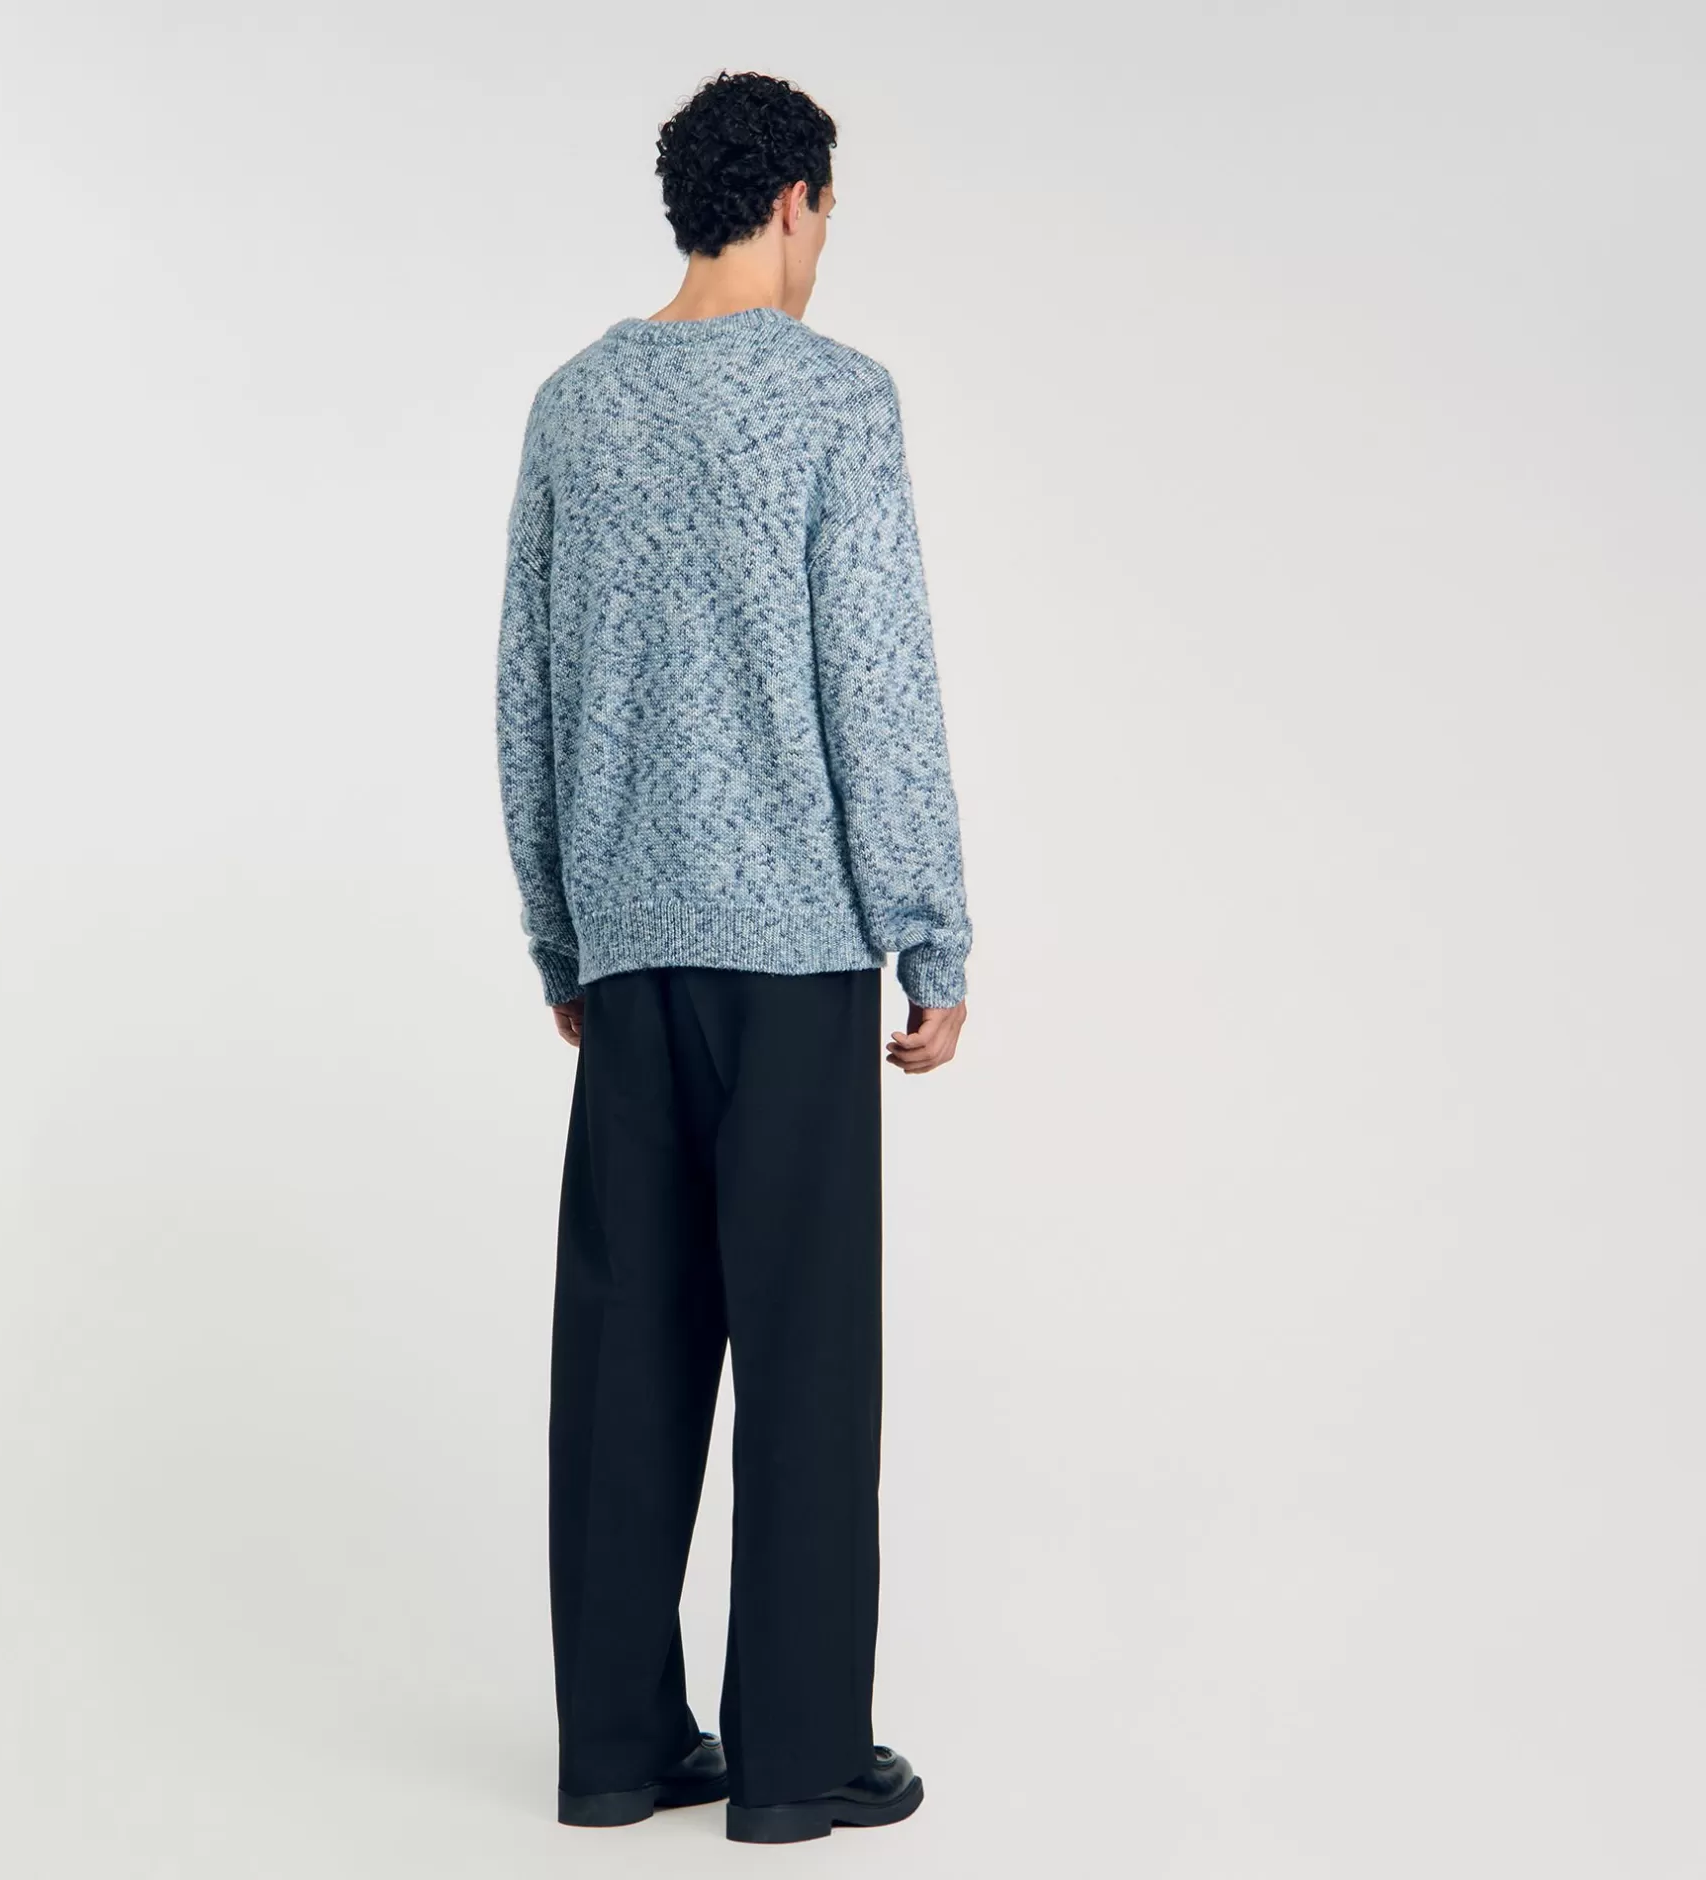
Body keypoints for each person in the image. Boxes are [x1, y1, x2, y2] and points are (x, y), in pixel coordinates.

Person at [494, 69, 973, 1846]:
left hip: (628, 952)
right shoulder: (837, 399)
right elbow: (878, 677)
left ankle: (617, 1751)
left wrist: (562, 928)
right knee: (803, 1360)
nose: (825, 246)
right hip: (793, 953)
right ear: (792, 202)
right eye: (828, 216)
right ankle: (795, 1761)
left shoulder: (574, 405)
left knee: (626, 1355)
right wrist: (928, 927)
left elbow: (526, 689)